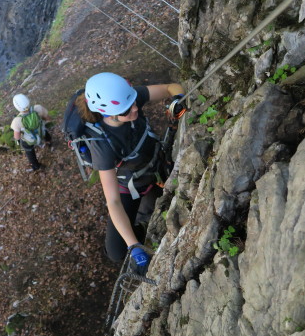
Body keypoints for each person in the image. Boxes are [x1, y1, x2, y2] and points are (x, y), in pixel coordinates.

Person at [75, 72, 186, 274]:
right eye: (127, 110)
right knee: (116, 251)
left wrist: (178, 99)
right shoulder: (102, 146)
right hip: (131, 185)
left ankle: (149, 207)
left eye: (134, 102)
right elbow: (113, 201)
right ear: (108, 113)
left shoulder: (126, 99)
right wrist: (134, 246)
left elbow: (172, 87)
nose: (135, 108)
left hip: (156, 165)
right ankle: (142, 225)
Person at [10, 93, 52, 172]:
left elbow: (17, 136)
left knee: (28, 150)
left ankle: (36, 165)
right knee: (44, 130)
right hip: (41, 133)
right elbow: (47, 118)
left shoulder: (16, 121)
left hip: (30, 140)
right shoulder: (38, 108)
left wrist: (18, 141)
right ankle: (49, 141)